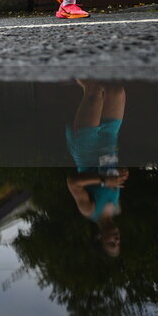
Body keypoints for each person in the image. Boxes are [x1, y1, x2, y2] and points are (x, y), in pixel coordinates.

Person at [66, 80, 127, 257]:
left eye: (111, 243)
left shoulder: (89, 210)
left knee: (94, 91)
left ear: (99, 237)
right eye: (118, 242)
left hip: (87, 146)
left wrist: (104, 180)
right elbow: (110, 172)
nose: (117, 239)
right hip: (109, 140)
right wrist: (121, 173)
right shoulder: (117, 208)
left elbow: (73, 182)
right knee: (116, 91)